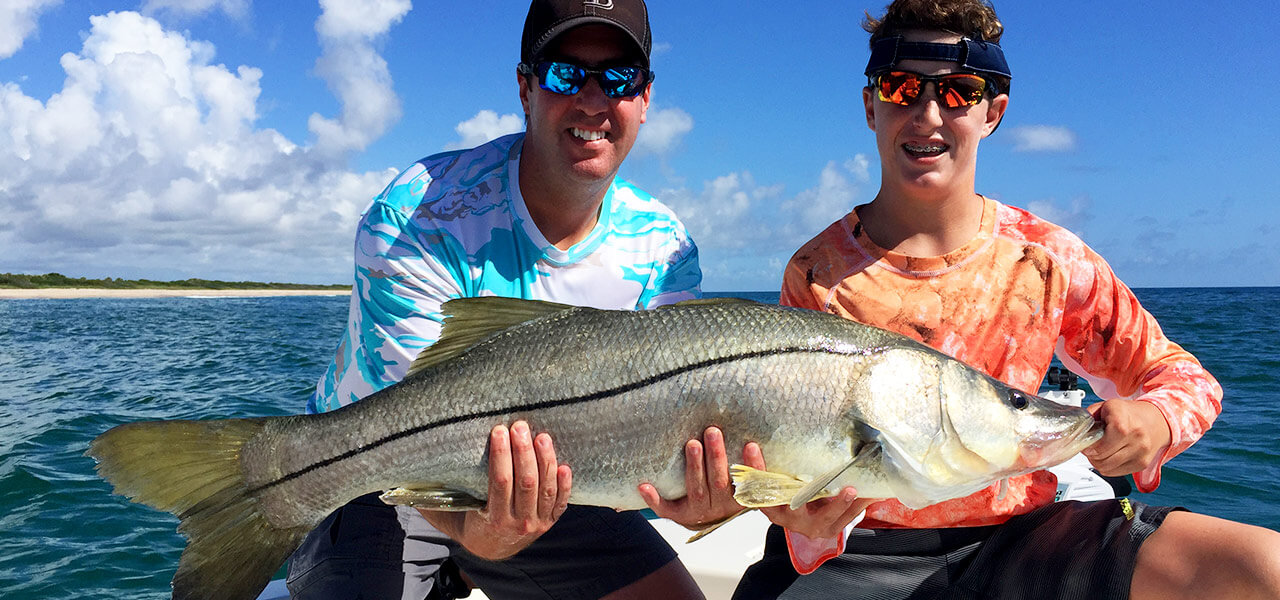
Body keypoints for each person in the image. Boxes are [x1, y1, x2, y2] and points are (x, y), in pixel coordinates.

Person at [729, 1, 1280, 599]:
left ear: (994, 113)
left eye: (960, 92)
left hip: (1026, 536)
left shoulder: (1046, 258)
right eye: (902, 86)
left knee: (1260, 566)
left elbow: (1183, 379)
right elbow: (781, 459)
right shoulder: (817, 274)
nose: (928, 113)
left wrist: (1155, 419)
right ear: (870, 104)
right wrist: (795, 511)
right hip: (863, 542)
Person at [285, 1, 712, 598]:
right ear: (524, 87)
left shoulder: (664, 246)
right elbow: (409, 430)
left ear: (645, 97)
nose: (593, 100)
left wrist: (702, 502)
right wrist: (475, 532)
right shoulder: (418, 214)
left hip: (553, 496)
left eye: (619, 76)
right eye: (565, 73)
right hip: (370, 480)